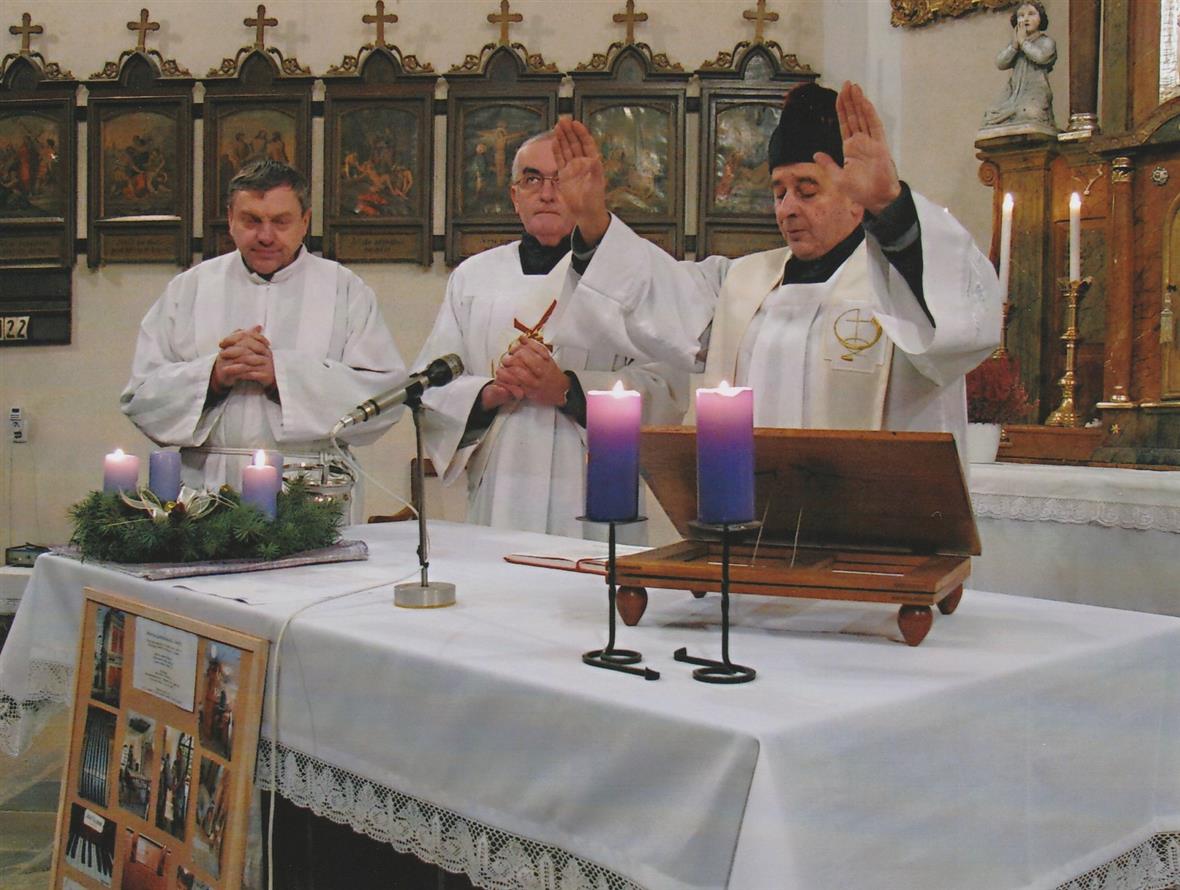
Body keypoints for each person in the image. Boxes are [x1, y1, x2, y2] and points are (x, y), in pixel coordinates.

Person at [547, 81, 1001, 462]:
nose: (787, 208)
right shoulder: (741, 285)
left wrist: (891, 206)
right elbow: (659, 300)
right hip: (757, 519)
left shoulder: (901, 276)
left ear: (854, 196)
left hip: (871, 523)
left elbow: (964, 324)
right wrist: (594, 220)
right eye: (779, 192)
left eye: (807, 190)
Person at [414, 132, 687, 540]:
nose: (546, 193)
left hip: (594, 485)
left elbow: (666, 386)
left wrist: (568, 390)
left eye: (560, 180)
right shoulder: (473, 278)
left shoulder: (629, 273)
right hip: (502, 484)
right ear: (514, 196)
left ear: (587, 190)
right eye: (532, 180)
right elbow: (433, 386)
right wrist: (488, 393)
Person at [120, 160, 407, 512]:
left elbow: (386, 400)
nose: (266, 236)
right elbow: (141, 397)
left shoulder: (345, 291)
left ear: (305, 221)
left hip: (312, 489)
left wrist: (281, 377)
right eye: (251, 221)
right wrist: (213, 377)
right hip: (204, 486)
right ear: (230, 219)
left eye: (281, 221)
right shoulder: (189, 289)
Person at [980, 1, 1058, 135]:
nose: (1026, 19)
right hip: (1014, 93)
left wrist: (1024, 43)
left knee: (1029, 113)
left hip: (1034, 93)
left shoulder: (1046, 42)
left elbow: (1042, 57)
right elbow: (1000, 63)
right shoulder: (1016, 45)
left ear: (1041, 18)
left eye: (1031, 14)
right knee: (991, 114)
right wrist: (1014, 46)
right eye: (1021, 15)